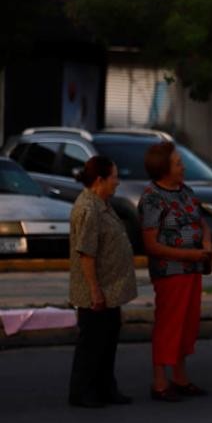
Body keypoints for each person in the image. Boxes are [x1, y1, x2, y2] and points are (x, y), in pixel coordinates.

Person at [138, 142, 212, 402]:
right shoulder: (152, 198)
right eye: (178, 163)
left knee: (187, 324)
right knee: (169, 324)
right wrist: (188, 254)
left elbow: (200, 222)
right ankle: (160, 381)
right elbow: (151, 244)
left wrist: (206, 243)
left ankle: (181, 377)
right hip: (170, 272)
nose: (182, 167)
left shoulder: (186, 192)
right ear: (164, 168)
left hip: (193, 268)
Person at [68, 157, 138, 408]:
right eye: (114, 177)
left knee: (107, 342)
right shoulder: (88, 209)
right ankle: (83, 392)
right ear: (100, 180)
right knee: (92, 344)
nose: (117, 182)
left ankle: (106, 388)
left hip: (111, 289)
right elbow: (86, 253)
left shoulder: (102, 204)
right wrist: (95, 291)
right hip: (96, 292)